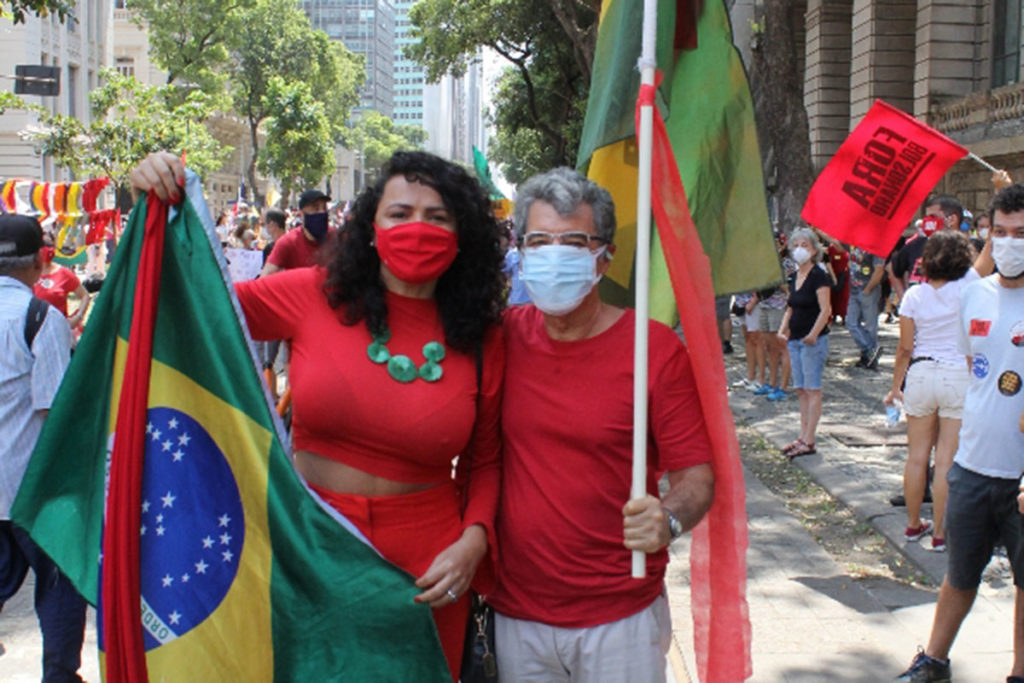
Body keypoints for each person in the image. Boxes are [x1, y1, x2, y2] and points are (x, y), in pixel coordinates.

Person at [131, 150, 506, 681]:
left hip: (429, 567)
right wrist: (155, 204)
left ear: (461, 234)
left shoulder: (484, 335)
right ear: (370, 228)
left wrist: (474, 540)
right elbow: (197, 306)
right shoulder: (311, 294)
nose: (417, 228)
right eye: (400, 213)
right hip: (310, 544)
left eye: (437, 216)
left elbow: (486, 460)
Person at [490, 168, 715, 682]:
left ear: (605, 256)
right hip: (517, 613)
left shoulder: (653, 349)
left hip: (621, 616)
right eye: (539, 241)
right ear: (521, 251)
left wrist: (670, 520)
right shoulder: (500, 339)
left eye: (573, 241)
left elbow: (696, 477)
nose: (553, 254)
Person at [897, 183, 1024, 683]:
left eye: (1022, 233)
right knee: (959, 573)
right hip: (971, 467)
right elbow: (978, 370)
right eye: (1003, 232)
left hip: (1020, 478)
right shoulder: (974, 293)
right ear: (987, 234)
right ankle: (934, 661)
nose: (1012, 242)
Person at [0, 214, 87, 682]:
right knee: (59, 585)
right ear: (40, 261)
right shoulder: (39, 318)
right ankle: (59, 676)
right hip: (31, 491)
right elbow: (57, 413)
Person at [883, 231, 991, 553]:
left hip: (920, 373)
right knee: (946, 459)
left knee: (916, 456)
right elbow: (992, 253)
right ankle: (940, 533)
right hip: (958, 374)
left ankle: (913, 524)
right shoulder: (970, 284)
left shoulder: (914, 296)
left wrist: (894, 387)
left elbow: (904, 348)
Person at [778, 227, 832, 458]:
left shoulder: (820, 277)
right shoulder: (793, 277)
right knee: (801, 389)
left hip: (813, 341)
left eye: (805, 245)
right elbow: (791, 306)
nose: (800, 250)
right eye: (796, 245)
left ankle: (810, 438)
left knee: (812, 389)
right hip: (795, 339)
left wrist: (813, 334)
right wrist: (783, 329)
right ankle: (802, 435)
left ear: (814, 249)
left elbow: (825, 309)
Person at [260, 189, 335, 276]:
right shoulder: (288, 242)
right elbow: (265, 276)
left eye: (324, 208)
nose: (322, 212)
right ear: (301, 214)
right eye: (316, 208)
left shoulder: (337, 237)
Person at [32, 237, 92, 336]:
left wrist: (78, 317)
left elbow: (85, 295)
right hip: (33, 330)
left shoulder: (63, 274)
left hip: (57, 330)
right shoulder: (28, 272)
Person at [846, 244, 885, 369]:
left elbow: (879, 270)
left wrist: (868, 289)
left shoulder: (876, 247)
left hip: (868, 289)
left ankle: (868, 357)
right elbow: (838, 244)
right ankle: (870, 350)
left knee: (870, 324)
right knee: (851, 322)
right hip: (854, 289)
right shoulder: (853, 243)